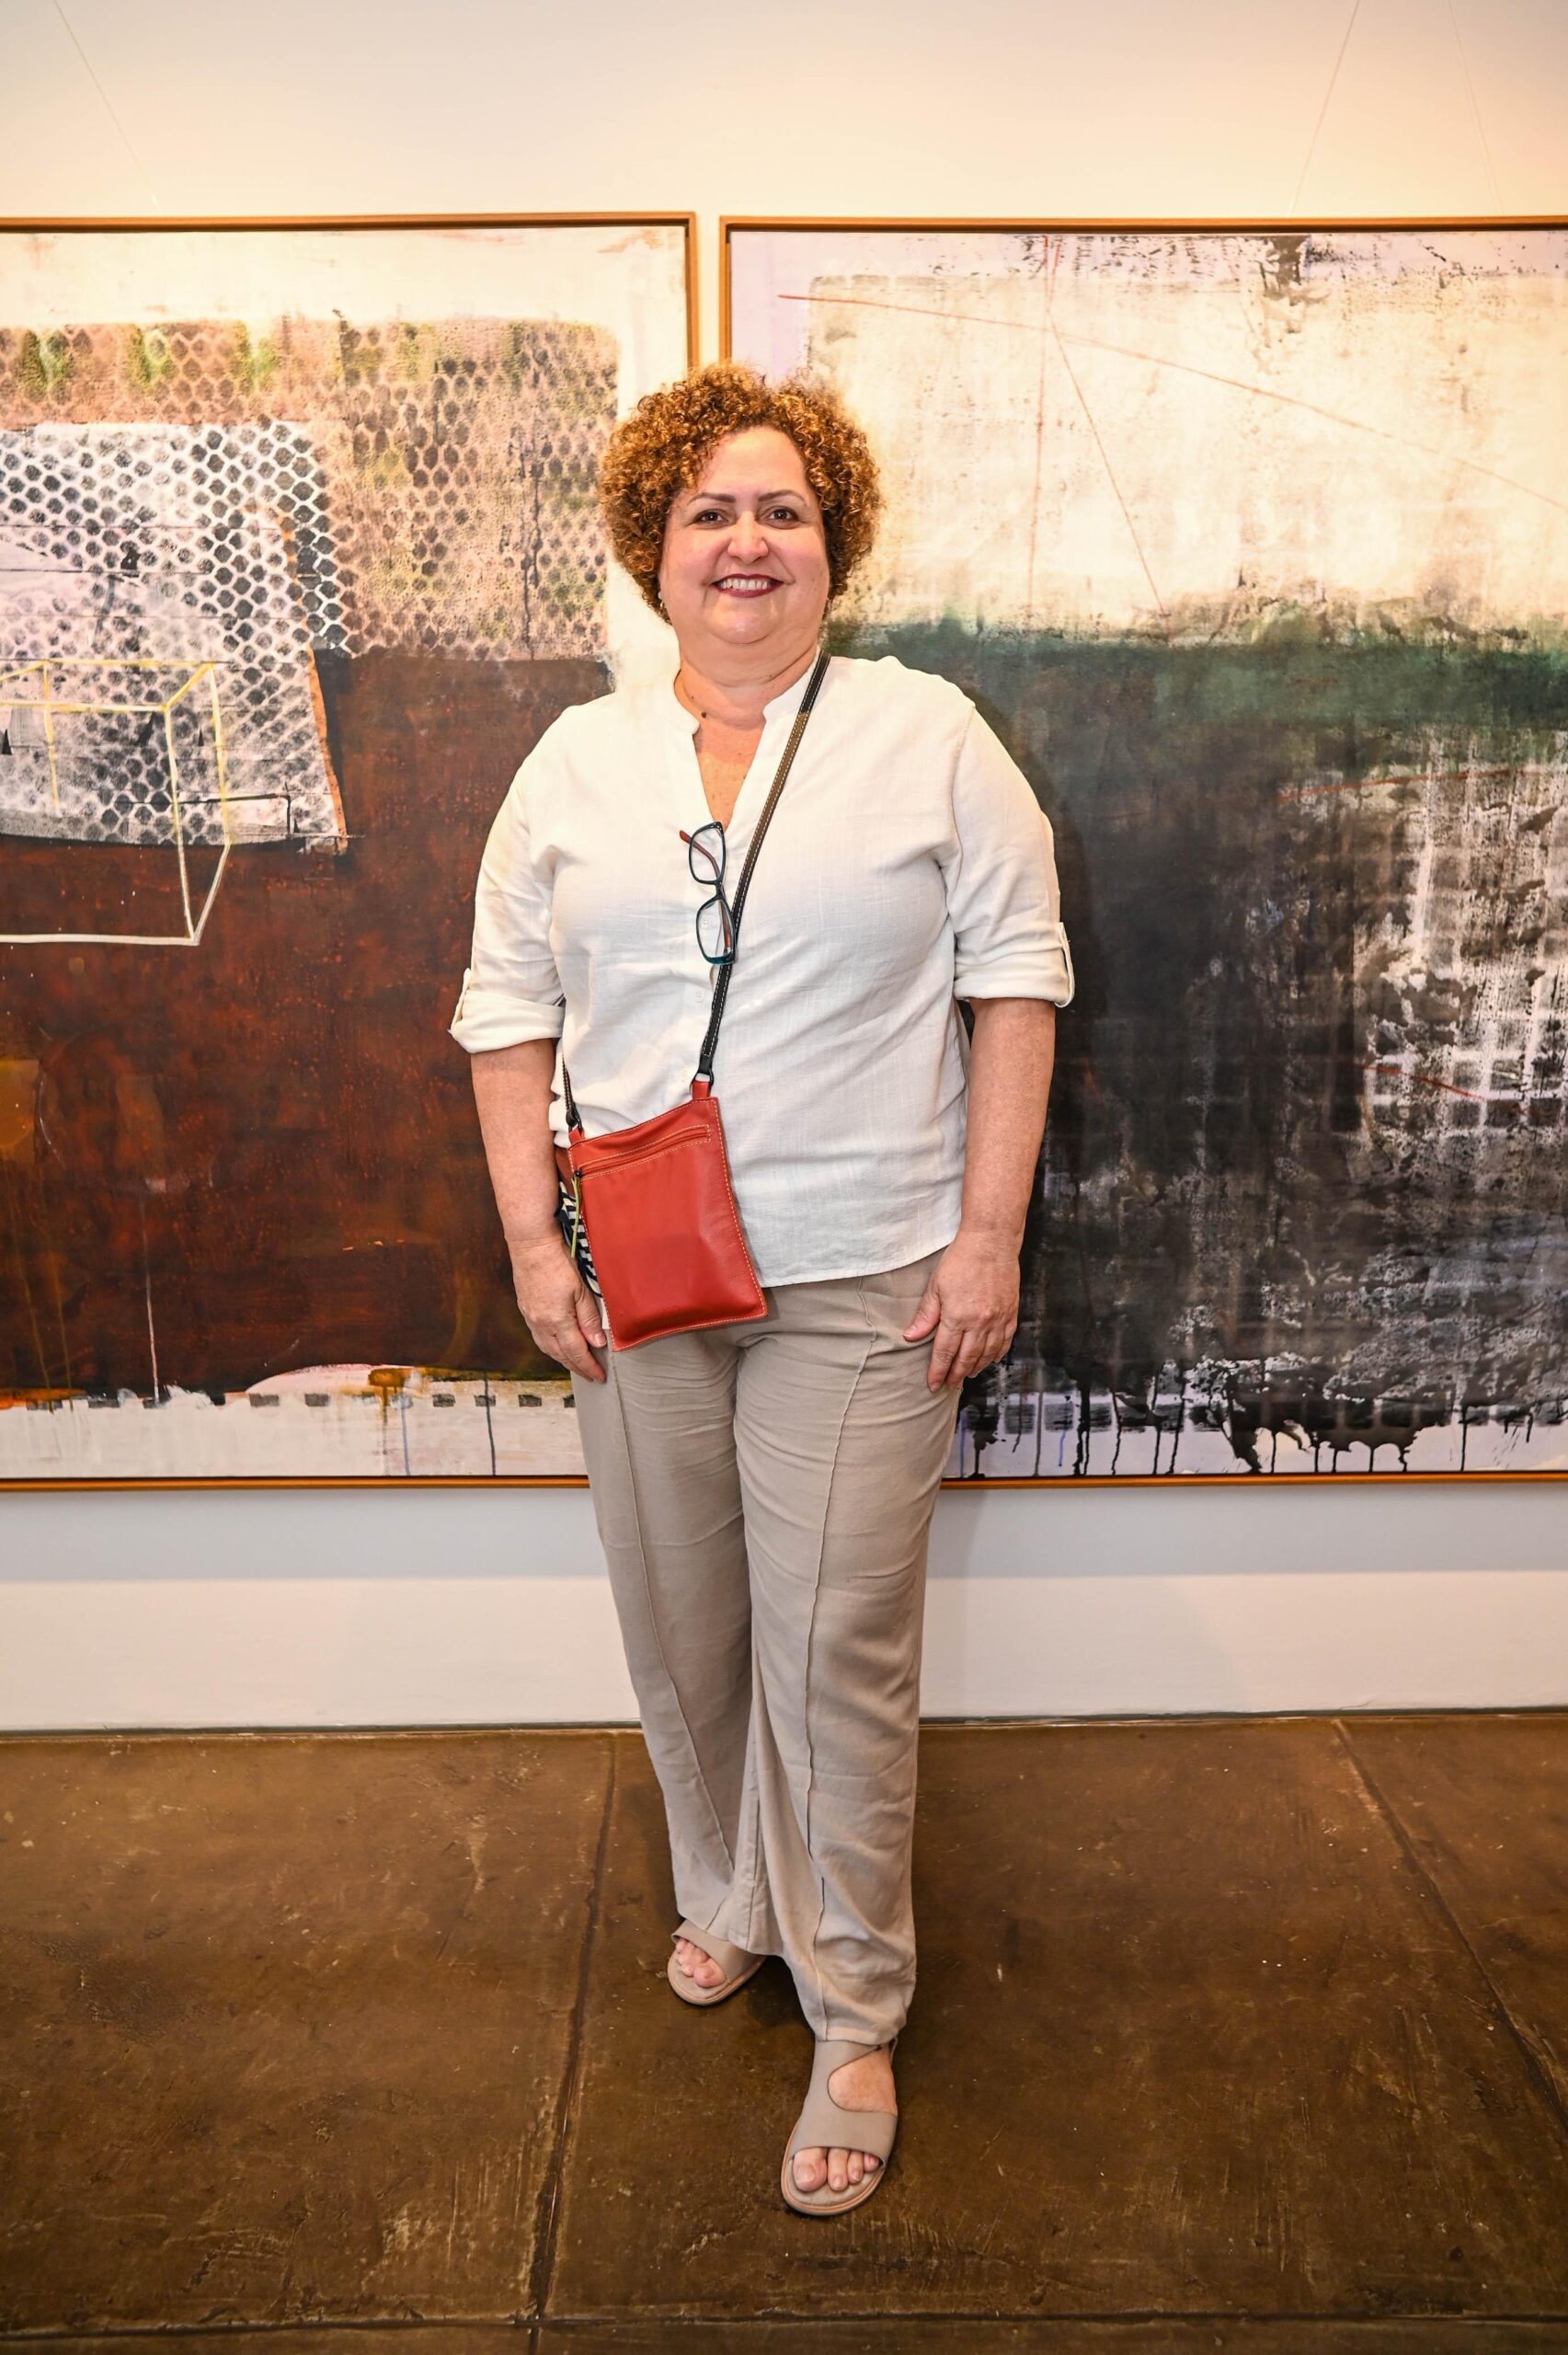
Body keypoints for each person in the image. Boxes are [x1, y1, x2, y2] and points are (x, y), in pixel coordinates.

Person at [450, 361, 1074, 2215]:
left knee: (835, 1652)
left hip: (867, 1276)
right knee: (685, 1623)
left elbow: (1017, 979)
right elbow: (505, 1012)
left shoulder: (927, 733)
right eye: (708, 511)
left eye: (781, 511)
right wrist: (531, 1243)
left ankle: (854, 2004)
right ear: (653, 548)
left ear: (831, 544)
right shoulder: (575, 761)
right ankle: (730, 1890)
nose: (746, 541)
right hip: (633, 1275)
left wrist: (986, 1236)